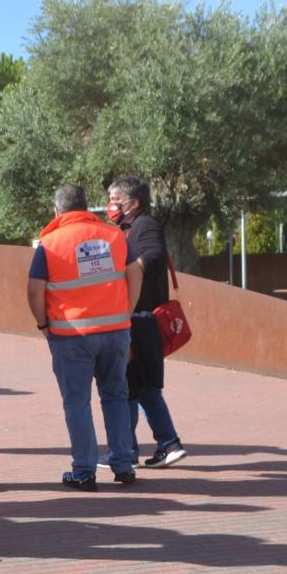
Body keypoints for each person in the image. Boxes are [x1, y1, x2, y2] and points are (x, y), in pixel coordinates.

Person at [27, 184, 142, 492]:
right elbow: (136, 273)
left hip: (71, 335)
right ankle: (123, 464)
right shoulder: (114, 235)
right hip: (116, 332)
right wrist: (125, 314)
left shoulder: (50, 244)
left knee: (77, 402)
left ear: (57, 211)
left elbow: (35, 290)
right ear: (87, 207)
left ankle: (84, 471)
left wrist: (43, 325)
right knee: (116, 396)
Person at [107, 177, 187, 469]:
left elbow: (153, 256)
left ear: (133, 202)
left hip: (142, 320)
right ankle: (149, 446)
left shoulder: (145, 225)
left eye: (115, 199)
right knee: (138, 387)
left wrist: (128, 272)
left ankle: (142, 448)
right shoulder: (126, 229)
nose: (111, 205)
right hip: (135, 319)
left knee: (135, 386)